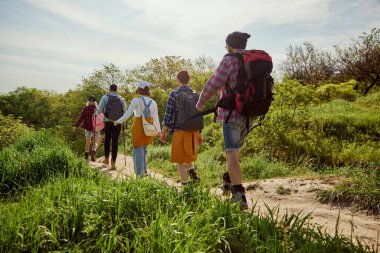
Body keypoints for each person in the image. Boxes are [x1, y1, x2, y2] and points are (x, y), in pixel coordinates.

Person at [195, 31, 252, 210]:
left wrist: (200, 104)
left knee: (232, 154)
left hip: (232, 114)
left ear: (229, 45)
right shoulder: (253, 59)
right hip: (251, 113)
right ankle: (228, 179)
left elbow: (213, 83)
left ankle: (239, 196)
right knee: (235, 152)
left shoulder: (229, 60)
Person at [160, 70, 202, 185]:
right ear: (188, 80)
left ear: (178, 80)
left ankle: (185, 183)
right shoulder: (195, 94)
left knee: (179, 160)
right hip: (193, 130)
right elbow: (198, 115)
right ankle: (192, 171)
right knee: (188, 155)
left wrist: (163, 132)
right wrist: (199, 133)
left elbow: (168, 115)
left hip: (179, 130)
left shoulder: (174, 94)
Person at [114, 81, 161, 177]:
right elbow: (156, 118)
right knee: (143, 149)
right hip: (149, 126)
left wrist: (118, 121)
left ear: (139, 89)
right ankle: (144, 171)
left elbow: (128, 114)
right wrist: (159, 131)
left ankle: (139, 175)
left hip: (139, 126)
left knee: (137, 149)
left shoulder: (136, 100)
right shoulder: (153, 102)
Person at [95, 84, 127, 170]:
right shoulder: (121, 99)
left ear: (109, 89)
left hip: (108, 121)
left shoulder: (105, 97)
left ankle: (106, 159)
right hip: (117, 122)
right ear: (117, 90)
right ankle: (113, 162)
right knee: (115, 141)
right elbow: (125, 112)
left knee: (107, 140)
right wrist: (123, 122)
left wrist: (95, 114)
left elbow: (100, 110)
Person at [73, 95, 101, 162]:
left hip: (88, 127)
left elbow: (81, 118)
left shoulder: (86, 108)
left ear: (88, 101)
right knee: (95, 142)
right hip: (96, 127)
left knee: (87, 141)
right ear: (95, 102)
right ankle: (93, 154)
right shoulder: (97, 109)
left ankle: (86, 156)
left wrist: (76, 126)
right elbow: (101, 119)